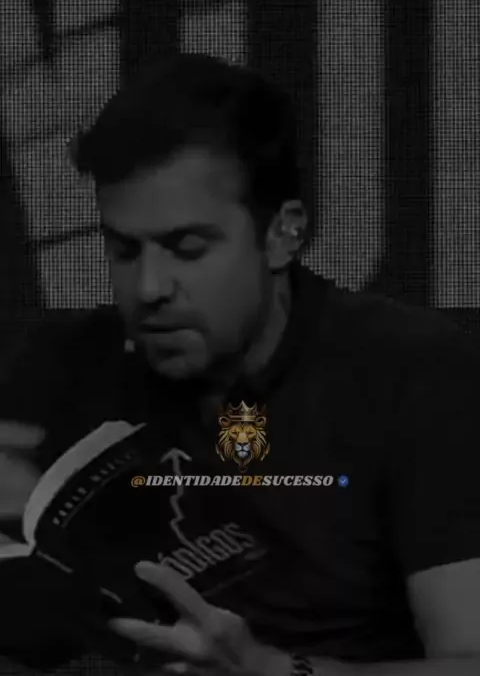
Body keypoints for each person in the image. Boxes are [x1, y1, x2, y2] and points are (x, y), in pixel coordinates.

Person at [0, 52, 480, 676]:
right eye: (124, 250)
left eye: (187, 248)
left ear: (282, 234)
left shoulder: (414, 372)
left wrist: (271, 671)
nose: (148, 288)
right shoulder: (67, 362)